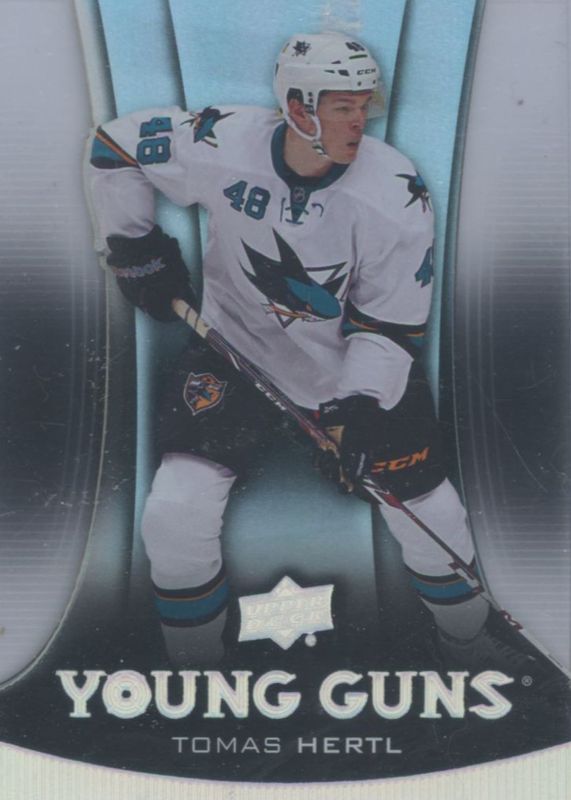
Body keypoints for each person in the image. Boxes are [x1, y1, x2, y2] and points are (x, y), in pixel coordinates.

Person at [88, 31, 492, 667]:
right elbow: (115, 146)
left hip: (354, 374)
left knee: (432, 517)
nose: (360, 121)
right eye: (342, 106)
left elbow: (390, 327)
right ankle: (194, 672)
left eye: (364, 104)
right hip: (233, 353)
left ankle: (466, 644)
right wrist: (133, 247)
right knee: (173, 513)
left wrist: (360, 407)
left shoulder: (395, 192)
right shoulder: (223, 143)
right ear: (299, 107)